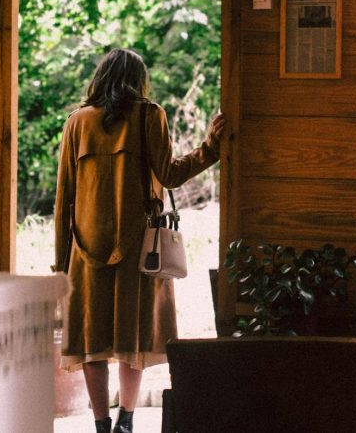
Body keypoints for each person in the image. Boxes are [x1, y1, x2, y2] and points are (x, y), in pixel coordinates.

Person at [54, 48, 225, 433]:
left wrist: (60, 261)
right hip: (140, 250)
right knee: (134, 337)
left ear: (100, 79)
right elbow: (170, 174)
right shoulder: (150, 115)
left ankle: (100, 425)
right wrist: (211, 147)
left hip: (84, 250)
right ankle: (126, 421)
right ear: (138, 81)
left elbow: (63, 198)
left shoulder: (76, 123)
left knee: (90, 339)